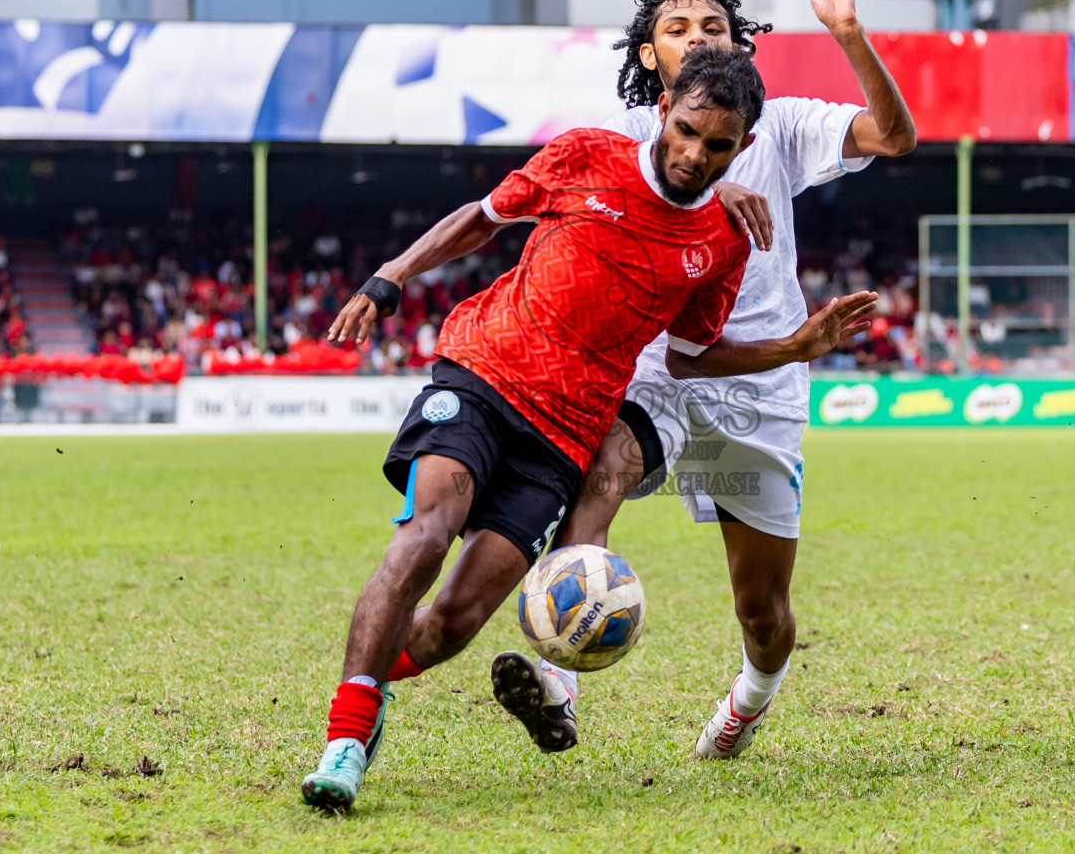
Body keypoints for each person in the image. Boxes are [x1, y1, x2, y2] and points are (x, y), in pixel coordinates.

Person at [300, 48, 875, 813]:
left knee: (456, 622)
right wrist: (391, 276)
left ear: (743, 148)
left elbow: (692, 357)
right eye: (685, 131)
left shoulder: (723, 241)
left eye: (716, 146)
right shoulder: (586, 154)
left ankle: (370, 679)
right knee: (424, 537)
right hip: (481, 373)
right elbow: (483, 218)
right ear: (665, 111)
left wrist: (794, 348)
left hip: (565, 436)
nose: (692, 154)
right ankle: (348, 734)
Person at [488, 0, 915, 760]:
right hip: (664, 368)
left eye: (713, 27)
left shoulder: (782, 127)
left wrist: (848, 34)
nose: (696, 37)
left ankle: (746, 706)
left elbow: (894, 136)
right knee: (601, 476)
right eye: (676, 30)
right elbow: (638, 186)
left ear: (741, 46)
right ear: (651, 58)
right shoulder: (623, 141)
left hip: (760, 381)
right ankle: (558, 681)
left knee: (761, 609)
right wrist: (705, 186)